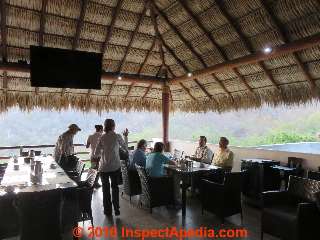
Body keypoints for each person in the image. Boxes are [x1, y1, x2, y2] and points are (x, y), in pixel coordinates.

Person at [94, 119, 128, 216]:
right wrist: (125, 137)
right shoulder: (117, 136)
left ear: (105, 126)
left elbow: (96, 153)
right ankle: (116, 209)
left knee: (105, 189)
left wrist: (104, 153)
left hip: (103, 168)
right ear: (113, 126)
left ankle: (107, 211)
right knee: (115, 187)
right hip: (114, 167)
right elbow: (125, 147)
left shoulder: (101, 137)